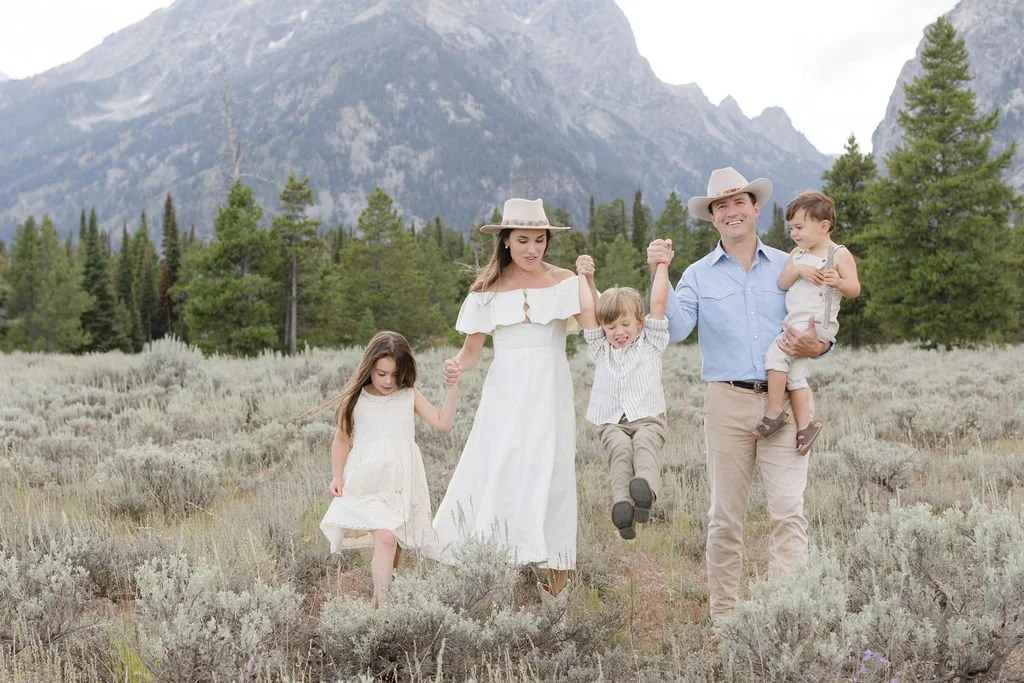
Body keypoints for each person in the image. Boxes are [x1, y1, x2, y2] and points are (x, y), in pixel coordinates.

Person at [646, 167, 829, 622]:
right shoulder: (696, 276)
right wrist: (661, 271)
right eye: (720, 206)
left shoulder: (791, 264)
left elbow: (819, 320)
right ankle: (725, 622)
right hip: (726, 403)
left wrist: (821, 345)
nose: (731, 211)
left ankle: (785, 618)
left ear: (755, 208)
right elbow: (675, 330)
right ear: (712, 217)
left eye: (738, 202)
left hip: (784, 401)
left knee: (788, 512)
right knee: (725, 519)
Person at [430, 197, 580, 600]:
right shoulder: (487, 290)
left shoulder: (565, 282)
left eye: (539, 240)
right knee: (499, 469)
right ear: (507, 242)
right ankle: (490, 576)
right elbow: (471, 351)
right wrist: (456, 367)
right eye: (523, 240)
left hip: (551, 392)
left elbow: (596, 324)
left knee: (554, 475)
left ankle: (557, 590)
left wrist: (591, 282)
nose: (532, 249)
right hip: (506, 393)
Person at [319, 330, 461, 607]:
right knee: (385, 538)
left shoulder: (408, 395)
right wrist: (337, 476)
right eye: (381, 373)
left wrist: (453, 387)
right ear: (369, 366)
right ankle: (382, 606)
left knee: (391, 542)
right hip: (365, 481)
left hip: (398, 483)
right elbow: (341, 440)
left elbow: (443, 422)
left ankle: (381, 599)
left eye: (395, 375)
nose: (388, 381)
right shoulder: (356, 399)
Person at [753, 191, 860, 454]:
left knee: (775, 357)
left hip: (815, 322)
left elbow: (855, 288)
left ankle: (775, 411)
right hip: (797, 320)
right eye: (791, 228)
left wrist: (839, 282)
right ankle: (805, 427)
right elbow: (782, 282)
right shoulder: (797, 255)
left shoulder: (838, 254)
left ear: (824, 226)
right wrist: (799, 270)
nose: (794, 234)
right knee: (797, 375)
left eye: (800, 227)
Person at [575, 251, 671, 540]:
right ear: (603, 328)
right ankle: (623, 508)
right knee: (619, 450)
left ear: (640, 322)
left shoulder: (652, 342)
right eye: (611, 326)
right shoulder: (600, 349)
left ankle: (645, 494)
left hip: (648, 418)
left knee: (643, 445)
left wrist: (662, 266)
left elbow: (657, 302)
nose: (619, 332)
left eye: (625, 325)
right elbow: (589, 311)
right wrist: (583, 277)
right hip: (611, 421)